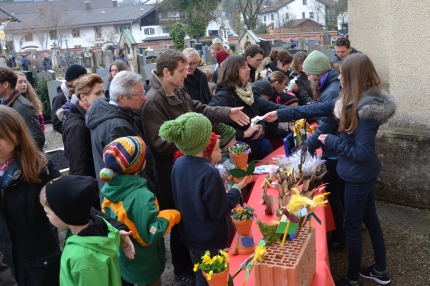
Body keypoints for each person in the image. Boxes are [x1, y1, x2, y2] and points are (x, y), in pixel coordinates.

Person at [263, 53, 396, 286]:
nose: (339, 77)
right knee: (371, 221)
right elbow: (319, 108)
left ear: (353, 77)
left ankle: (353, 279)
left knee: (352, 228)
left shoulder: (364, 112)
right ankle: (380, 270)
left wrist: (330, 141)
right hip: (361, 173)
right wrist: (280, 113)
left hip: (357, 175)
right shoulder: (353, 99)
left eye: (343, 75)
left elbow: (362, 152)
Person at [142, 49, 249, 286]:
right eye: (181, 71)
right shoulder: (154, 101)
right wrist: (196, 146)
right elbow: (160, 143)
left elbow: (199, 110)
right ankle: (182, 271)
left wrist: (226, 113)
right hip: (175, 168)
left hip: (187, 161)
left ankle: (195, 268)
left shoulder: (176, 90)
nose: (186, 74)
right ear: (167, 72)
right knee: (184, 219)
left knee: (193, 220)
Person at [159, 113, 246, 286]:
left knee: (201, 271)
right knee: (216, 277)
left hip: (190, 235)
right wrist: (236, 190)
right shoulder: (209, 173)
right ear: (204, 141)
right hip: (210, 239)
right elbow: (220, 210)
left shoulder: (178, 164)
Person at [100, 136, 181, 286]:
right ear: (139, 165)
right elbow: (150, 232)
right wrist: (172, 215)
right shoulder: (141, 197)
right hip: (145, 263)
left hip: (127, 260)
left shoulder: (110, 188)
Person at [0, 105, 61, 285]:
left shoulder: (39, 168)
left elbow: (70, 201)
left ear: (17, 136)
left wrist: (110, 225)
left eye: (1, 136)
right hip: (5, 270)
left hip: (39, 268)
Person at [40, 175, 122, 286]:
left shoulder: (83, 260)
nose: (47, 216)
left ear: (64, 215)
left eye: (47, 213)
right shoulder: (99, 226)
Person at [86, 71, 145, 191]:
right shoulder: (116, 128)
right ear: (122, 97)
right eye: (139, 94)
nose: (144, 97)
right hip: (126, 200)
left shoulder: (109, 114)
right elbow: (126, 174)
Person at [210, 55, 272, 161]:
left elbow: (257, 114)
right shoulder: (223, 96)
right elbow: (215, 125)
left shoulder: (249, 91)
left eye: (247, 66)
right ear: (233, 71)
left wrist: (261, 127)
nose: (249, 69)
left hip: (254, 145)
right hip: (237, 151)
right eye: (244, 67)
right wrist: (243, 134)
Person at [57, 74, 105, 179]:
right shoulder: (77, 126)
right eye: (97, 93)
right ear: (83, 97)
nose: (103, 97)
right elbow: (79, 168)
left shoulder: (90, 116)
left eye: (103, 92)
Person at [0, 67, 45, 150]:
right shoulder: (4, 104)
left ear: (6, 84)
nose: (24, 84)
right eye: (20, 82)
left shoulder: (23, 107)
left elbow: (37, 139)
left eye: (24, 82)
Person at [51, 64, 87, 133]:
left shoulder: (81, 92)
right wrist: (72, 130)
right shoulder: (60, 97)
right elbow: (56, 123)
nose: (86, 79)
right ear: (74, 79)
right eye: (83, 77)